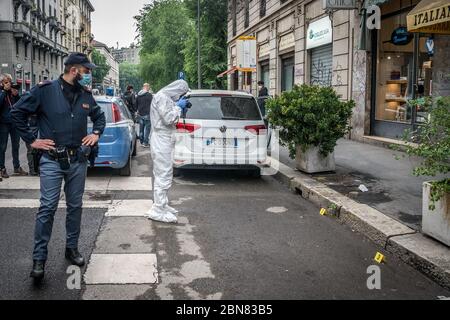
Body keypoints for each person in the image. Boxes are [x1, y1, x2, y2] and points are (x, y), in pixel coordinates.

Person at [11, 52, 106, 282]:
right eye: (86, 71)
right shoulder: (45, 91)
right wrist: (32, 140)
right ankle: (39, 259)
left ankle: (71, 249)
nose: (89, 75)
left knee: (75, 207)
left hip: (77, 162)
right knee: (47, 209)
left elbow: (99, 117)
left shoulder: (85, 95)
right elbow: (16, 114)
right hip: (52, 161)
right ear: (74, 70)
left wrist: (95, 133)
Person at [145, 80, 190, 224]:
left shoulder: (165, 98)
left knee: (164, 173)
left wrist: (179, 108)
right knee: (163, 174)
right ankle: (158, 209)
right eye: (181, 94)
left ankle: (162, 204)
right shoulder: (162, 97)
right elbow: (169, 118)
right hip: (161, 140)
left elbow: (170, 116)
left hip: (164, 139)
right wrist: (178, 107)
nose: (180, 97)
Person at [0, 74, 28, 178]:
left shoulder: (12, 92)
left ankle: (17, 167)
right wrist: (3, 91)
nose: (9, 84)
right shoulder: (2, 92)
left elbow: (19, 105)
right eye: (6, 82)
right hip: (3, 123)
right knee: (2, 147)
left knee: (16, 146)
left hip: (14, 122)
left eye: (10, 82)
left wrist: (16, 95)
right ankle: (2, 168)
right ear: (2, 83)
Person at [136, 83, 153, 148]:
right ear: (147, 87)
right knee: (147, 129)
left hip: (140, 114)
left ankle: (141, 141)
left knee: (141, 128)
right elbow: (152, 104)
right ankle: (145, 143)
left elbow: (136, 104)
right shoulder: (149, 95)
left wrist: (138, 110)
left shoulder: (138, 95)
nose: (149, 88)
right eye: (149, 87)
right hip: (147, 114)